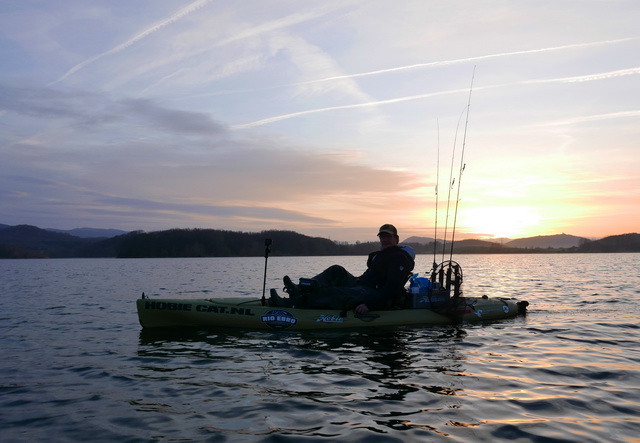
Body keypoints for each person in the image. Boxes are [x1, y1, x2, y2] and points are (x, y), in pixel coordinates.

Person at [270, 224, 415, 314]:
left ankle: (291, 304)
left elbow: (392, 287)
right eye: (382, 237)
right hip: (362, 284)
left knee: (333, 292)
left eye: (388, 237)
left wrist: (368, 305)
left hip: (372, 293)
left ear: (396, 239)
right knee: (336, 270)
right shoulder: (381, 255)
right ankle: (300, 290)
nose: (384, 240)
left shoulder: (400, 258)